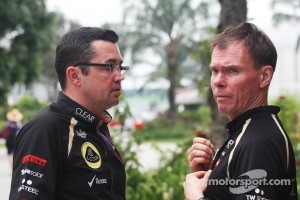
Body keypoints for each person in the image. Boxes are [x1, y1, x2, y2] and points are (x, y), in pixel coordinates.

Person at [9, 27, 129, 200]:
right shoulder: (46, 129)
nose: (120, 76)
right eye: (109, 66)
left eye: (121, 67)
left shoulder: (95, 127)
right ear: (74, 75)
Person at [183, 22, 298, 200]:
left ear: (264, 77)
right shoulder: (249, 130)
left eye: (232, 70)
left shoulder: (257, 143)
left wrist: (195, 197)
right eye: (214, 71)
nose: (217, 81)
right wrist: (209, 177)